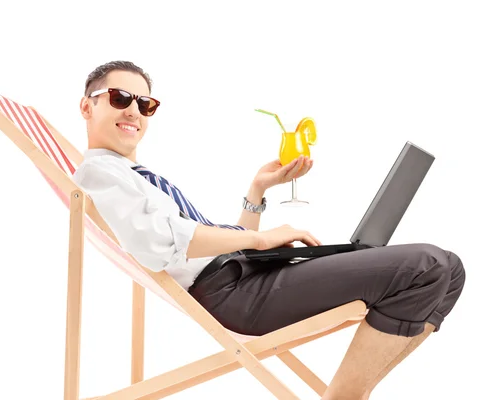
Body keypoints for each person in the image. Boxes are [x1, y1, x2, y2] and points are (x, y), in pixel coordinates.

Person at [71, 60, 466, 400]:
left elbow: (208, 248)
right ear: (87, 107)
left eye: (145, 103)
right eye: (121, 98)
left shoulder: (131, 176)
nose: (134, 112)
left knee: (451, 270)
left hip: (245, 275)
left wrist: (257, 191)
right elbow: (161, 244)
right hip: (235, 297)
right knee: (426, 265)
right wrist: (259, 239)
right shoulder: (98, 174)